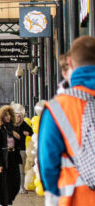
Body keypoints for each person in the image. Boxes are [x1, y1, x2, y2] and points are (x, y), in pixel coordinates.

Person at [39, 36, 95, 205]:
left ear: (70, 63)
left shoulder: (58, 108)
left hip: (79, 197)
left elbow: (48, 163)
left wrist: (55, 194)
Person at [0, 105, 20, 206]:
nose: (8, 117)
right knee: (5, 185)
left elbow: (18, 144)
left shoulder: (12, 128)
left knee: (16, 183)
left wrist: (18, 137)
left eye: (9, 115)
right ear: (1, 117)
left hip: (13, 158)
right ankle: (4, 203)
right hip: (3, 160)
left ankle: (8, 200)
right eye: (5, 116)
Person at [13, 109, 33, 193]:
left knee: (21, 170)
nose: (18, 118)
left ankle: (22, 187)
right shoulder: (11, 126)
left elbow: (31, 132)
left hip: (21, 149)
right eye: (16, 116)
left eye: (19, 116)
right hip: (13, 150)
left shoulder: (24, 124)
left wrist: (27, 133)